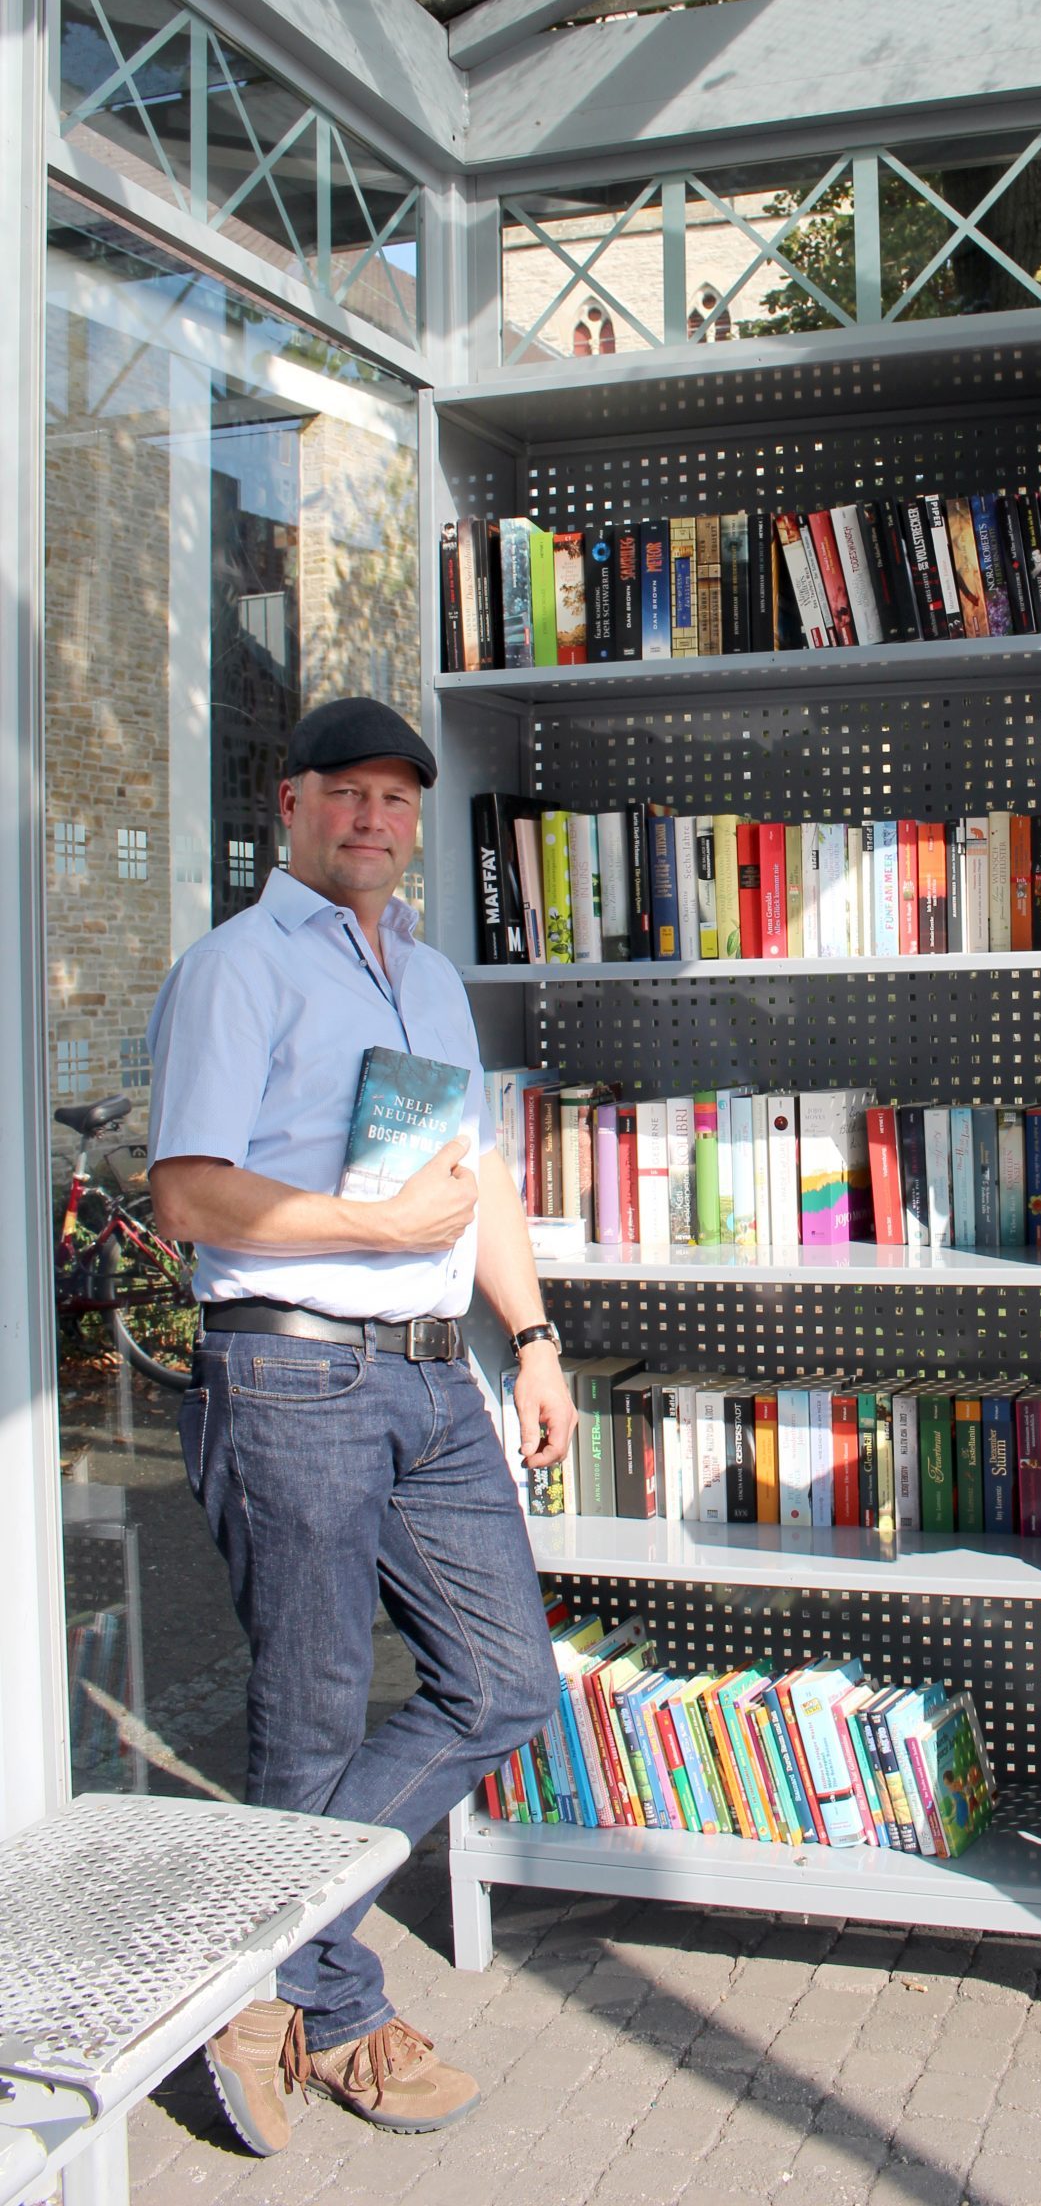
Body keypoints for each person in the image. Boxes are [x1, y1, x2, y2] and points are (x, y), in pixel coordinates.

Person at [147, 698, 573, 2154]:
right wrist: (376, 1226)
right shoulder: (238, 969)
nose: (377, 820)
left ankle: (257, 1959)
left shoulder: (434, 980)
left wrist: (531, 1337)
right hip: (290, 1372)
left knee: (506, 1683)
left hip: (430, 1375)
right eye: (350, 795)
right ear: (292, 804)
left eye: (399, 800)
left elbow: (483, 1179)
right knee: (311, 1714)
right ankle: (331, 2011)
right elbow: (191, 1197)